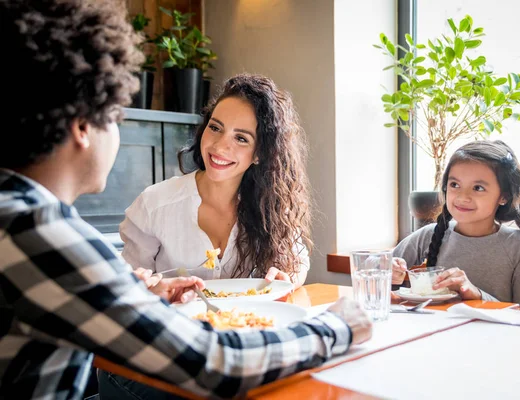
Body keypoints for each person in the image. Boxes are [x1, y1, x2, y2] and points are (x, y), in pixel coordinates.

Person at [0, 1, 372, 399]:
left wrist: (140, 295)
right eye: (116, 116)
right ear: (83, 128)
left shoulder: (18, 215)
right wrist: (336, 327)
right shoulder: (40, 233)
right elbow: (212, 362)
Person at [120, 73, 313, 289]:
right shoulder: (154, 203)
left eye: (241, 138)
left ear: (260, 153)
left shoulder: (272, 207)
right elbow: (128, 285)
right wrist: (146, 286)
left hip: (247, 321)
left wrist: (287, 278)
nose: (220, 147)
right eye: (215, 128)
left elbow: (299, 263)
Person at [392, 140, 520, 309]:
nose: (462, 197)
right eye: (454, 185)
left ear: (504, 196)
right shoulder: (429, 235)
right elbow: (375, 269)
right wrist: (390, 271)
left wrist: (475, 294)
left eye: (478, 188)